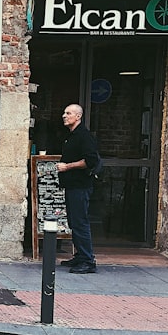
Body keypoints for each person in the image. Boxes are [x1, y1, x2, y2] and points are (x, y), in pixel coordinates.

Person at [56, 104, 100, 274]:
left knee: (80, 222)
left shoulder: (84, 136)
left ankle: (88, 261)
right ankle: (81, 256)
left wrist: (67, 167)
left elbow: (90, 160)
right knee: (74, 222)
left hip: (80, 186)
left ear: (78, 116)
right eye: (64, 112)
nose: (64, 116)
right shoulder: (72, 136)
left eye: (68, 113)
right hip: (72, 185)